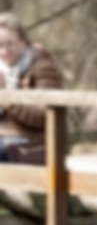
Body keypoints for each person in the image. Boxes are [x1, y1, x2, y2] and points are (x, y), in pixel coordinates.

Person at [0, 12, 63, 163]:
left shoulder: (43, 68)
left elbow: (44, 117)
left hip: (32, 143)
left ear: (24, 42)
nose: (5, 51)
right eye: (0, 45)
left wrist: (6, 95)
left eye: (10, 44)